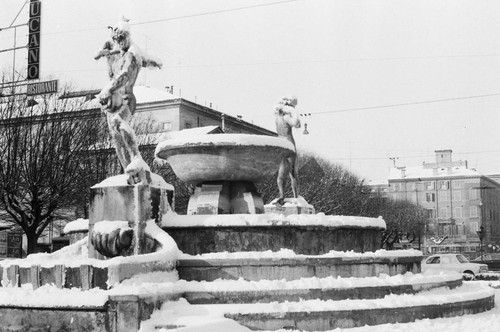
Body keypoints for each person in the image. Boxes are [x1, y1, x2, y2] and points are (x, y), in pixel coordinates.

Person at [95, 18, 162, 184]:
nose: (119, 42)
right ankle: (129, 171)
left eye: (122, 38)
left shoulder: (132, 53)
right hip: (112, 101)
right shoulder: (119, 52)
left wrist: (107, 89)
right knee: (116, 138)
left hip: (126, 98)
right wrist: (105, 53)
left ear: (128, 36)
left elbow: (124, 76)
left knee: (119, 122)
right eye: (117, 40)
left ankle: (136, 158)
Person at [275, 95, 301, 205]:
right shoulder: (286, 117)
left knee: (281, 174)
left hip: (280, 145)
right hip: (289, 144)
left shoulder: (277, 118)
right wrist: (294, 113)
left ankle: (281, 195)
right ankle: (296, 196)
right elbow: (296, 124)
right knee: (293, 173)